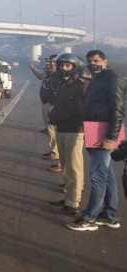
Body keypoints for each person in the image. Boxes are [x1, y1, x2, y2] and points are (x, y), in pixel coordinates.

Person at [68, 50, 127, 231]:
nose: (93, 64)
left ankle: (90, 217)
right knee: (106, 174)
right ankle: (109, 215)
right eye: (90, 61)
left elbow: (117, 110)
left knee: (98, 176)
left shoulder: (111, 79)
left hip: (104, 131)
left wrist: (111, 137)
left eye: (96, 60)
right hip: (94, 129)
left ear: (105, 61)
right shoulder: (97, 79)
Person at [47, 53, 85, 216]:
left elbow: (82, 109)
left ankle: (74, 202)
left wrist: (65, 114)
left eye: (68, 65)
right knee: (65, 166)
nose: (63, 68)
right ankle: (68, 197)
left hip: (74, 130)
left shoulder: (81, 86)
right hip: (61, 128)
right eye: (62, 65)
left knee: (74, 167)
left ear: (75, 67)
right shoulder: (63, 85)